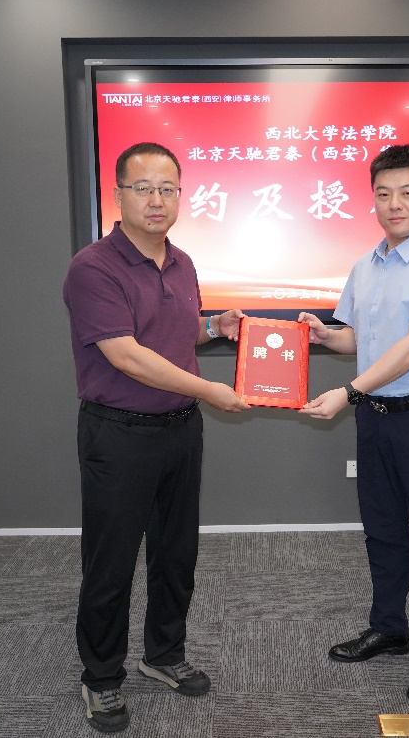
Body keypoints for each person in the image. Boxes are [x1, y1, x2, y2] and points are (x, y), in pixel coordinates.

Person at [63, 141, 250, 733]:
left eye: (167, 189)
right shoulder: (93, 267)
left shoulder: (183, 263)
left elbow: (172, 334)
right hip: (119, 435)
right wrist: (210, 389)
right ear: (117, 195)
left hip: (180, 431)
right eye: (142, 187)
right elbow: (127, 355)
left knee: (175, 555)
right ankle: (101, 678)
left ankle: (164, 655)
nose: (156, 200)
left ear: (180, 196)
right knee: (111, 562)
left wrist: (213, 328)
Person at [298, 144, 409, 700]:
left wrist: (349, 391)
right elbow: (360, 337)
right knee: (382, 531)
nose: (395, 203)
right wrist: (326, 337)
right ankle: (389, 628)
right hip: (376, 418)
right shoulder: (366, 264)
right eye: (383, 193)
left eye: (407, 191)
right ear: (372, 199)